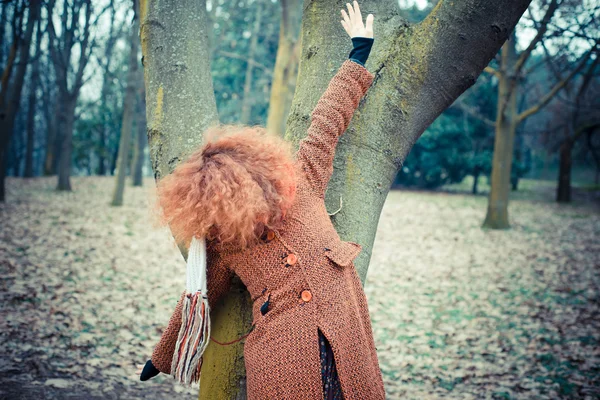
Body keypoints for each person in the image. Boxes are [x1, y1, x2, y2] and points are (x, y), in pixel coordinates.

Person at [138, 2, 384, 398]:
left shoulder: (300, 180)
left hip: (344, 328)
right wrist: (162, 357)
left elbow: (327, 120)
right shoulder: (224, 242)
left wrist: (358, 53)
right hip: (281, 354)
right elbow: (200, 295)